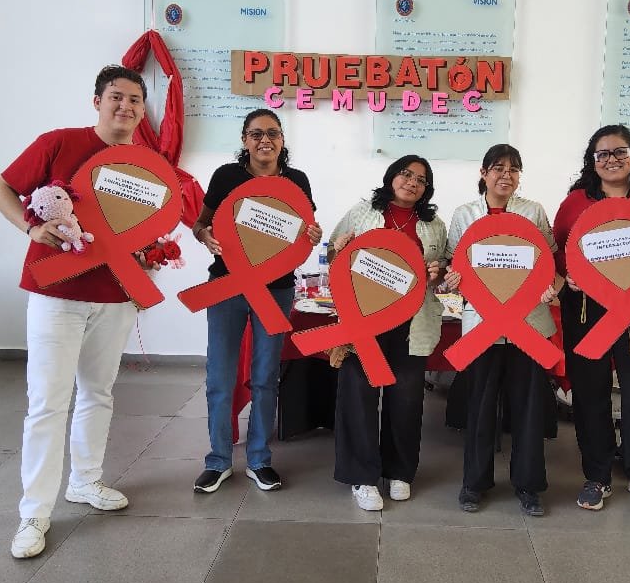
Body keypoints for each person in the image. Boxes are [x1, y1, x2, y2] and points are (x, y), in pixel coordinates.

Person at [0, 65, 152, 559]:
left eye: (135, 100)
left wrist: (149, 251)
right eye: (116, 97)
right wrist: (29, 228)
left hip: (115, 296)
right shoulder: (59, 142)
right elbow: (0, 188)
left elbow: (148, 224)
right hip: (55, 292)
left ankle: (85, 481)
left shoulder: (144, 165)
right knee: (47, 402)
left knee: (98, 393)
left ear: (142, 111)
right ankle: (34, 513)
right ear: (97, 101)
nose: (125, 106)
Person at [552, 124, 630, 513]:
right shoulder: (575, 202)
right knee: (590, 393)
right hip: (586, 310)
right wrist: (568, 274)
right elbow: (557, 252)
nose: (611, 160)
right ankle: (597, 475)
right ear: (592, 161)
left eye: (619, 152)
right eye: (603, 154)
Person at [192, 108, 322, 495]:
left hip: (276, 288)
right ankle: (218, 461)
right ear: (244, 140)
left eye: (273, 133)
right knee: (220, 376)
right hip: (227, 285)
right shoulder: (226, 176)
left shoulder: (297, 180)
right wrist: (204, 236)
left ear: (282, 140)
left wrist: (313, 236)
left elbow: (305, 229)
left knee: (266, 376)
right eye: (256, 133)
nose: (265, 140)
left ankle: (259, 460)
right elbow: (201, 223)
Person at [327, 155, 447, 511]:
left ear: (427, 189)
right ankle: (362, 477)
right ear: (392, 177)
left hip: (412, 322)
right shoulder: (363, 212)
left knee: (406, 399)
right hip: (363, 319)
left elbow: (441, 272)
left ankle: (399, 471)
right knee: (359, 397)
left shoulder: (434, 225)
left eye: (420, 180)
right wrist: (338, 249)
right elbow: (332, 253)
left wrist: (438, 273)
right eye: (405, 174)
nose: (412, 182)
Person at [444, 144, 558, 517]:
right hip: (482, 324)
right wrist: (452, 278)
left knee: (528, 409)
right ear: (483, 173)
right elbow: (452, 263)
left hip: (529, 323)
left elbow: (549, 260)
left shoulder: (533, 211)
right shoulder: (465, 214)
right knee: (479, 407)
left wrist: (550, 285)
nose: (505, 175)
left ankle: (529, 485)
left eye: (513, 169)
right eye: (498, 168)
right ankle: (474, 483)